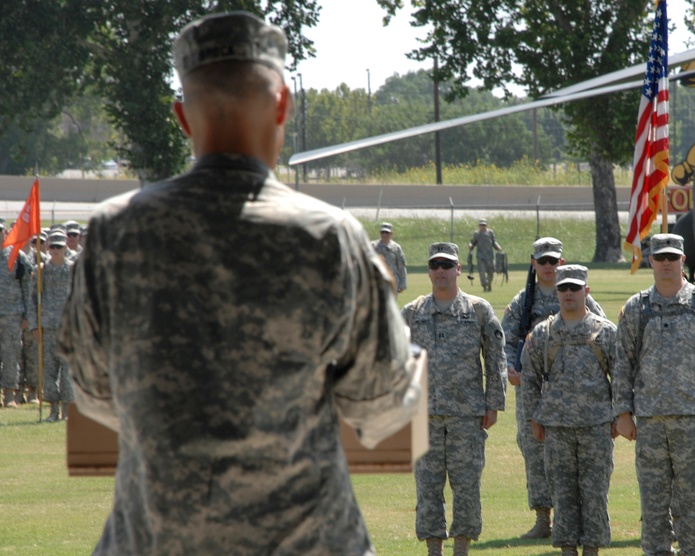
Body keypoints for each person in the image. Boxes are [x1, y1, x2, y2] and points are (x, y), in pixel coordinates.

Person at [58, 12, 423, 555]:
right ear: (283, 105)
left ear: (183, 117)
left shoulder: (115, 233)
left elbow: (90, 387)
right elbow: (380, 405)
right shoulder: (328, 239)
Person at [614, 233, 695, 556]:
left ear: (683, 261)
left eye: (673, 257)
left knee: (694, 499)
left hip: (693, 420)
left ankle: (694, 551)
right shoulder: (636, 308)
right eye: (660, 257)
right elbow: (623, 362)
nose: (666, 263)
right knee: (653, 501)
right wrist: (622, 412)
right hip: (650, 422)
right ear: (650, 261)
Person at [402, 242, 506, 556]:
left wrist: (493, 403)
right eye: (435, 265)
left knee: (466, 486)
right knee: (428, 486)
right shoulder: (412, 312)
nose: (441, 271)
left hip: (467, 414)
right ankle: (434, 547)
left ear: (458, 269)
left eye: (447, 265)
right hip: (424, 416)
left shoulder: (477, 309)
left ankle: (461, 546)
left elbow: (495, 357)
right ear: (428, 270)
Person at [501, 237, 605, 539]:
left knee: (574, 454)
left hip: (574, 392)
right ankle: (543, 517)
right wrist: (510, 368)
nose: (548, 266)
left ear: (561, 263)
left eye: (553, 261)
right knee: (534, 451)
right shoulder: (523, 302)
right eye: (542, 261)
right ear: (533, 264)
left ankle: (573, 518)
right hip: (532, 390)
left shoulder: (580, 295)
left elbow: (603, 332)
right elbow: (505, 341)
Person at [520, 264, 617, 556]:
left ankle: (591, 549)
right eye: (563, 288)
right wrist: (532, 418)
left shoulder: (605, 332)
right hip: (557, 429)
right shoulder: (543, 334)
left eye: (575, 288)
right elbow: (530, 380)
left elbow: (622, 378)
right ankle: (566, 550)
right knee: (562, 494)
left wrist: (621, 416)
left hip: (596, 427)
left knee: (595, 493)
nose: (569, 293)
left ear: (586, 291)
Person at [29, 230, 74, 421]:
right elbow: (32, 300)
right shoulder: (41, 271)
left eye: (59, 247)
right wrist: (34, 326)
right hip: (47, 327)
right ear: (47, 248)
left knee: (68, 372)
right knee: (48, 370)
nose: (55, 250)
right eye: (52, 246)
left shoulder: (74, 269)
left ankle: (66, 410)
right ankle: (53, 409)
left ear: (65, 248)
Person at [0, 240, 30, 408]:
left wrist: (27, 315)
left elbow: (27, 286)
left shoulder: (17, 256)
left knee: (11, 356)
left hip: (12, 315)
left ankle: (10, 394)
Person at [371, 222, 407, 294]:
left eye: (387, 232)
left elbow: (401, 266)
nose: (384, 234)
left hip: (392, 281)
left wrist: (402, 284)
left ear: (391, 234)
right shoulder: (372, 246)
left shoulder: (396, 248)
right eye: (382, 232)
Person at [468, 218, 503, 292]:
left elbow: (494, 242)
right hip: (480, 256)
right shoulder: (476, 234)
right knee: (482, 272)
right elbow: (473, 242)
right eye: (481, 225)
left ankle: (489, 283)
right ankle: (484, 286)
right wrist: (470, 245)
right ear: (479, 226)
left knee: (491, 272)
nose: (482, 226)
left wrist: (498, 247)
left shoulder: (490, 233)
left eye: (484, 225)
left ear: (486, 225)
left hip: (490, 256)